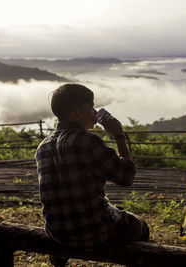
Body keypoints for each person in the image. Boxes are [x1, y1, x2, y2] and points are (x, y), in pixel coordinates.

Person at [35, 84, 149, 266]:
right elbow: (126, 177)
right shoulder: (88, 142)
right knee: (140, 226)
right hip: (95, 234)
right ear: (76, 114)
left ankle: (59, 258)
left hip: (57, 233)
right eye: (91, 108)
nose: (95, 114)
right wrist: (119, 135)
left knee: (111, 208)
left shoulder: (43, 147)